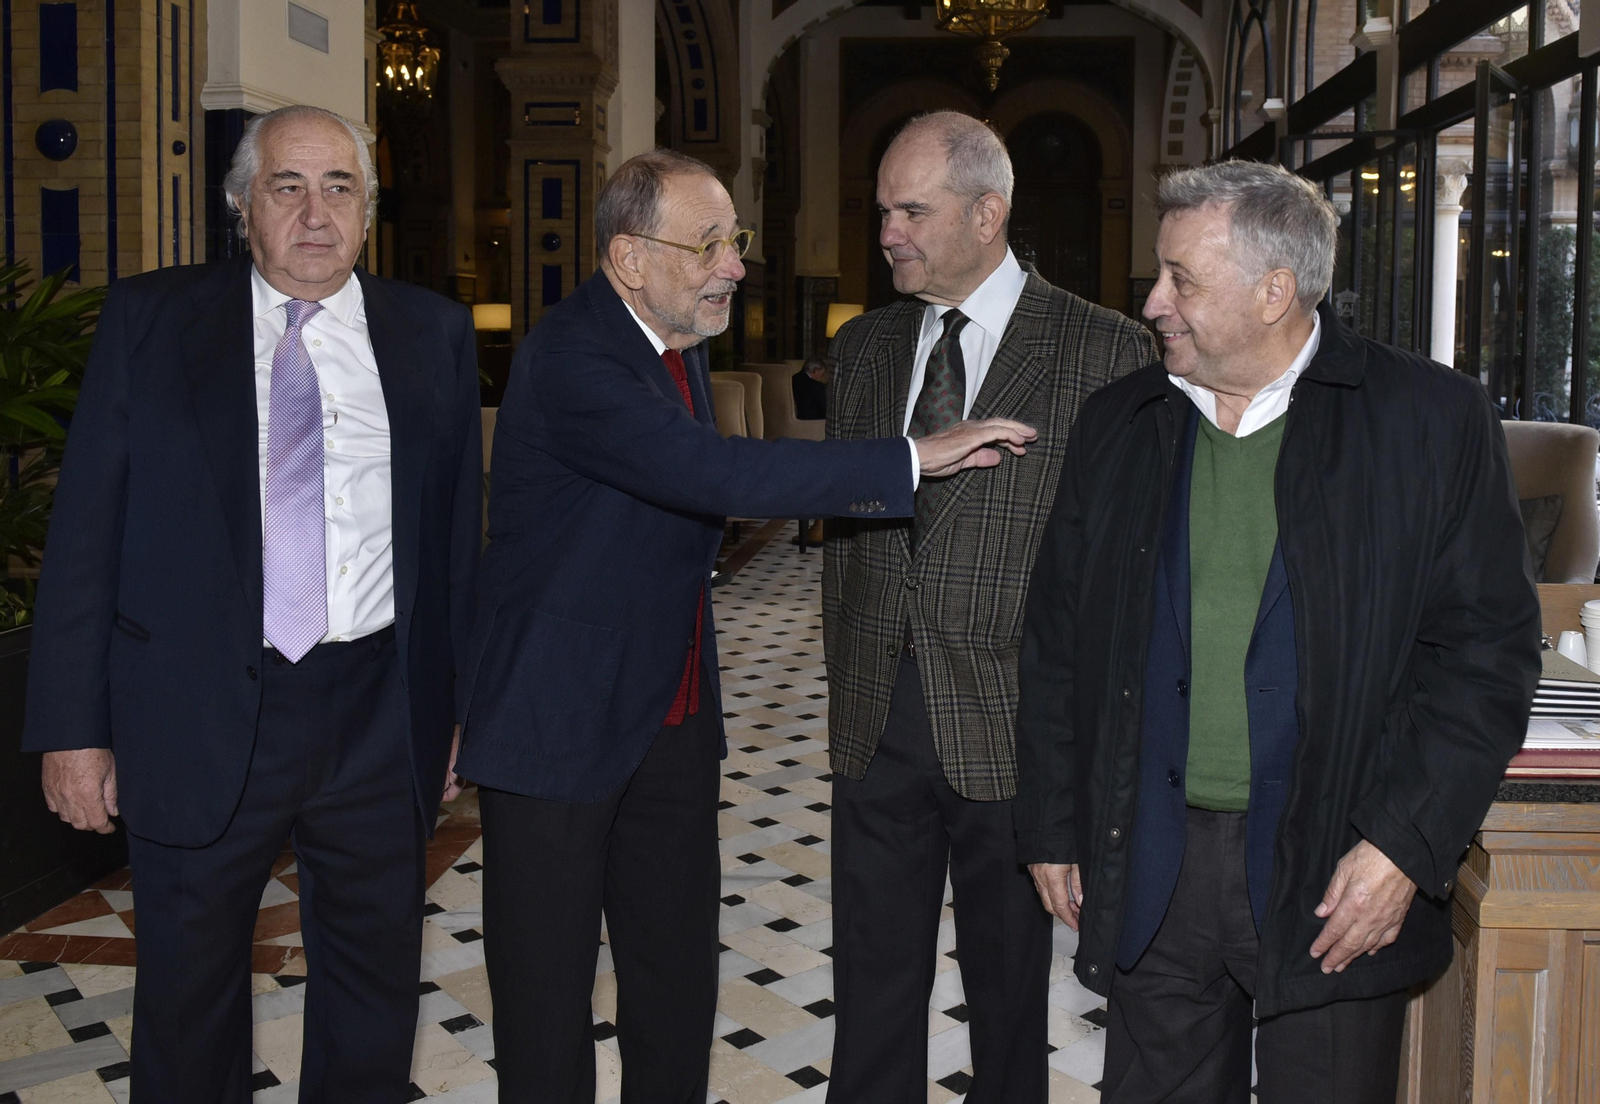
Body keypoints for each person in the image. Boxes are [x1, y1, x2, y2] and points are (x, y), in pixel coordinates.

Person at [452, 147, 1035, 1104]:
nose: (736, 264)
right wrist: (910, 460)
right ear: (630, 258)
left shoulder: (676, 344)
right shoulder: (574, 355)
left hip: (670, 721)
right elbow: (710, 475)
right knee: (545, 994)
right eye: (711, 244)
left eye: (738, 240)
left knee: (675, 975)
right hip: (559, 725)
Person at [1013, 160, 1541, 1103]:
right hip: (1153, 863)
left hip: (1333, 872)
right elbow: (1058, 643)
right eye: (1158, 274)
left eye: (1182, 278)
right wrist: (1054, 823)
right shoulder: (1117, 423)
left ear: (1275, 291)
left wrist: (1403, 849)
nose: (1153, 300)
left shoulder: (1428, 420)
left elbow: (1485, 658)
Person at [23, 105, 482, 1102]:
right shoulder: (152, 321)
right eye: (287, 187)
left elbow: (454, 547)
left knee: (372, 984)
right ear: (241, 206)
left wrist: (455, 709)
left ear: (367, 208)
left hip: (378, 709)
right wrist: (72, 729)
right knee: (189, 994)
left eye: (339, 188)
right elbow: (84, 539)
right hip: (193, 706)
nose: (314, 214)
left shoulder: (431, 334)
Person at [820, 111, 1158, 1102]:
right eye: (881, 209)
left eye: (911, 210)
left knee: (1010, 992)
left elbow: (1123, 561)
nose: (887, 231)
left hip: (1020, 728)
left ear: (987, 212)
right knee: (872, 979)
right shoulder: (863, 350)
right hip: (875, 712)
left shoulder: (1106, 351)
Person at [793, 356, 829, 420]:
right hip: (813, 421)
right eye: (822, 374)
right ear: (815, 371)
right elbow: (824, 410)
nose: (821, 377)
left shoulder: (793, 378)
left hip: (797, 418)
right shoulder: (817, 386)